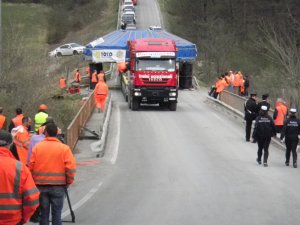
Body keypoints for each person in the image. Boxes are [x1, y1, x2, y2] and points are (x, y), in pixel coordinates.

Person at [29, 123, 76, 225]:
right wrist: (68, 182)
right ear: (57, 134)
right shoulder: (64, 149)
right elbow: (70, 168)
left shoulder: (37, 148)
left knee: (44, 215)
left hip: (40, 186)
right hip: (58, 187)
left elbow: (31, 167)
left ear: (45, 133)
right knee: (57, 215)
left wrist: (33, 183)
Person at [0, 130, 40, 225]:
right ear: (10, 145)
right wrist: (24, 218)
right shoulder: (20, 168)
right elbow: (32, 199)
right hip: (13, 220)